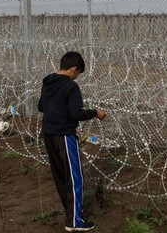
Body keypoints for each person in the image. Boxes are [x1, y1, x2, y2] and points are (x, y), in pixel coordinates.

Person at [38, 51, 106, 232]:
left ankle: (71, 214)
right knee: (75, 178)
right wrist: (95, 113)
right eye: (78, 74)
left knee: (61, 177)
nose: (76, 78)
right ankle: (75, 222)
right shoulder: (70, 86)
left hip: (48, 135)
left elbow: (41, 107)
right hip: (64, 137)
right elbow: (76, 113)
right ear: (74, 69)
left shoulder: (48, 82)